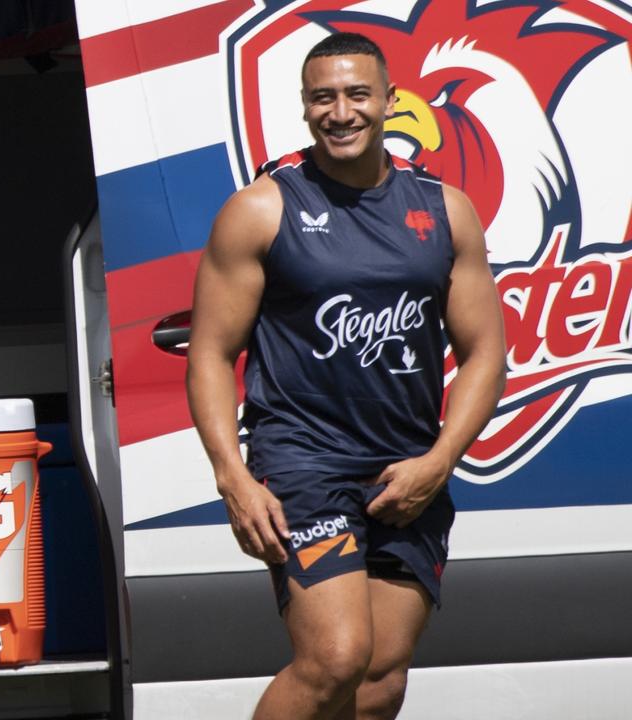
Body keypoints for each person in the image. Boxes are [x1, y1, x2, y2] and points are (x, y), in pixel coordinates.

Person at [186, 32, 506, 720]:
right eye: (323, 97)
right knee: (334, 658)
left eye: (357, 94)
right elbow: (209, 354)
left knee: (381, 680)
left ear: (391, 102)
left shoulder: (445, 211)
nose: (341, 111)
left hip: (406, 472)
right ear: (304, 109)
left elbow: (485, 354)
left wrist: (439, 462)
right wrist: (233, 478)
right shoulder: (262, 209)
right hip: (304, 466)